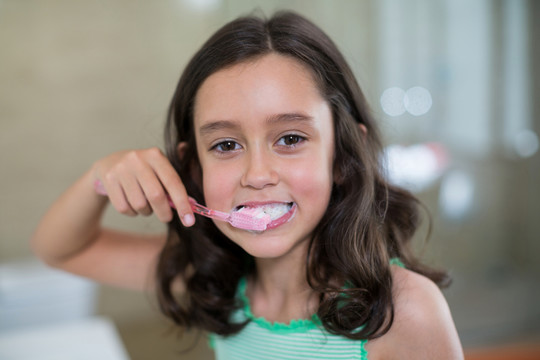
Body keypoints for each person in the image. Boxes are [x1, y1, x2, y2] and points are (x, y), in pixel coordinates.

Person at [32, 11, 464, 359]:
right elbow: (60, 249)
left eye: (291, 139)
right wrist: (99, 178)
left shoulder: (404, 310)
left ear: (343, 156)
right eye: (225, 145)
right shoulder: (211, 280)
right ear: (194, 168)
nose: (257, 174)